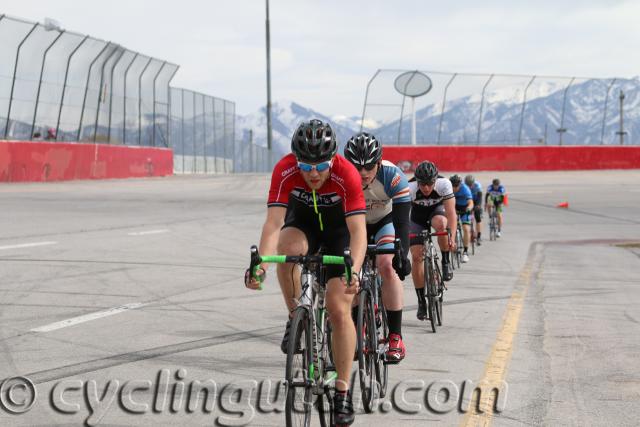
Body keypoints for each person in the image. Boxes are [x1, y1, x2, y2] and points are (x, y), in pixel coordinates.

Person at [245, 119, 366, 425]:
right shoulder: (285, 170)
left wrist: (355, 268)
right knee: (287, 251)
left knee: (339, 309)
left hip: (340, 233)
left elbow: (358, 231)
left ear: (334, 158)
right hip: (304, 226)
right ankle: (295, 316)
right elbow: (273, 224)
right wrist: (260, 265)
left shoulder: (346, 173)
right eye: (305, 165)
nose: (313, 173)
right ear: (295, 159)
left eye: (321, 164)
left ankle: (342, 392)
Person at [343, 132, 411, 363]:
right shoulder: (340, 178)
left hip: (385, 222)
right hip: (355, 223)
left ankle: (395, 337)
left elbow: (402, 221)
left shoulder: (393, 176)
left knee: (387, 266)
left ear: (379, 163)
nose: (362, 173)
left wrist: (403, 254)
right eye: (356, 167)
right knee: (350, 271)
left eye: (369, 166)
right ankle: (357, 328)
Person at [408, 161, 457, 320]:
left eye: (430, 184)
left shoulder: (444, 184)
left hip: (437, 212)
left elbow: (451, 214)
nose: (426, 188)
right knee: (416, 256)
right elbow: (401, 217)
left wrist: (452, 238)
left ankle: (445, 261)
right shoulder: (410, 188)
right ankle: (421, 301)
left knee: (441, 224)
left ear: (436, 180)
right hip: (417, 217)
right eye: (422, 184)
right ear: (417, 182)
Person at [450, 174, 473, 263]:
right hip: (454, 208)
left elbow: (471, 202)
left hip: (464, 208)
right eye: (453, 186)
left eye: (456, 186)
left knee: (466, 229)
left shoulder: (465, 189)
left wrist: (469, 208)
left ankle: (465, 252)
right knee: (450, 227)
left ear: (460, 184)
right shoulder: (448, 189)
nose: (455, 188)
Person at [465, 174, 483, 245]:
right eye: (468, 185)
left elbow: (480, 197)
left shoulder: (477, 186)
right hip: (468, 201)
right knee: (468, 218)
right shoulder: (463, 186)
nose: (469, 186)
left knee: (478, 217)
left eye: (471, 185)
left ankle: (479, 236)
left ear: (473, 183)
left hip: (476, 201)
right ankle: (470, 232)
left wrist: (478, 205)